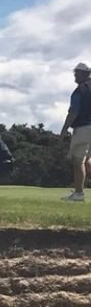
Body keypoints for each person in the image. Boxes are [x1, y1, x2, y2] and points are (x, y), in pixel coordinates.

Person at [60, 61, 91, 203]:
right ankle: (80, 189)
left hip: (83, 128)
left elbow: (74, 111)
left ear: (83, 74)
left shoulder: (80, 90)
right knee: (88, 161)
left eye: (76, 73)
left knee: (78, 161)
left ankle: (79, 193)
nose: (74, 75)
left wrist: (65, 128)